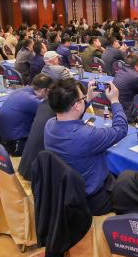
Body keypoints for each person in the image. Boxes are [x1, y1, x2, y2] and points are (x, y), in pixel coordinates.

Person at [44, 78, 128, 215]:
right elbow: (121, 129)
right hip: (95, 200)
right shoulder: (86, 135)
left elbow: (71, 116)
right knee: (129, 181)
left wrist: (87, 99)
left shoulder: (50, 125)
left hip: (69, 192)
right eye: (82, 98)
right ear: (76, 105)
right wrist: (114, 100)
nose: (84, 99)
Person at [0, 73, 53, 156]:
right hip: (16, 145)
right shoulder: (32, 100)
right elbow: (52, 114)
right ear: (43, 90)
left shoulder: (22, 90)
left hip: (4, 139)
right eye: (50, 92)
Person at [113, 54, 138, 123]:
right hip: (129, 113)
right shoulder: (136, 77)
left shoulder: (119, 72)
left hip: (117, 110)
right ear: (136, 66)